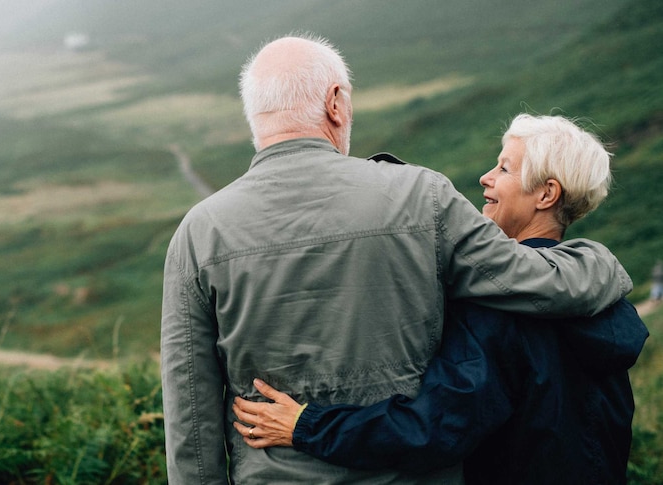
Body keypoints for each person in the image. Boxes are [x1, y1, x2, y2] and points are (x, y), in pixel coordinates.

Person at [161, 34, 632, 484]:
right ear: (335, 102)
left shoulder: (197, 234)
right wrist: (602, 263)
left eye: (505, 168)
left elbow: (191, 420)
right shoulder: (422, 197)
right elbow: (533, 282)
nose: (489, 178)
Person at [231, 114, 649, 484]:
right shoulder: (605, 302)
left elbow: (433, 430)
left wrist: (306, 425)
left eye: (504, 168)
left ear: (546, 195)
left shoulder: (500, 310)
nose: (486, 177)